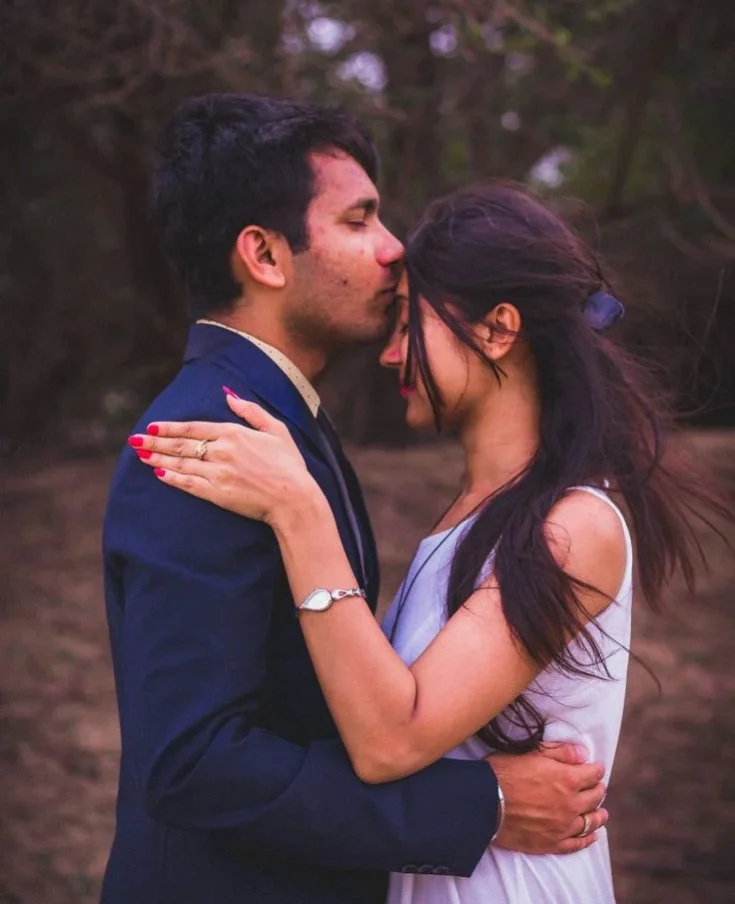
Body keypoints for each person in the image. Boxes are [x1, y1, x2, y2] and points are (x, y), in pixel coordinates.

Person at [132, 181, 730, 903]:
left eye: (409, 323)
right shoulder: (465, 522)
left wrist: (298, 509)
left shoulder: (575, 525)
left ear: (497, 329)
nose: (391, 355)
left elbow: (393, 739)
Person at [101, 97, 607, 904]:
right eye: (358, 219)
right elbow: (193, 762)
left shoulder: (286, 429)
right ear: (265, 255)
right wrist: (479, 803)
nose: (394, 247)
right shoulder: (206, 438)